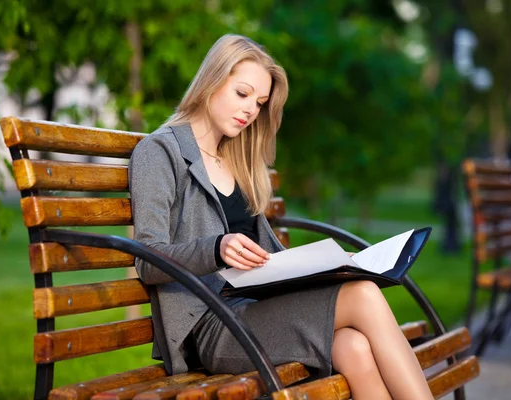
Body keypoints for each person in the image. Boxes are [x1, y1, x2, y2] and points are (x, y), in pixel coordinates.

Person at [129, 34, 433, 399]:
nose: (249, 111)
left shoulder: (237, 158)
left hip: (256, 309)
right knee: (364, 296)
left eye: (258, 103)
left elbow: (267, 258)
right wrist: (216, 248)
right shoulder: (159, 152)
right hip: (209, 324)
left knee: (353, 346)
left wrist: (337, 267)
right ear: (211, 81)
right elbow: (147, 258)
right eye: (242, 94)